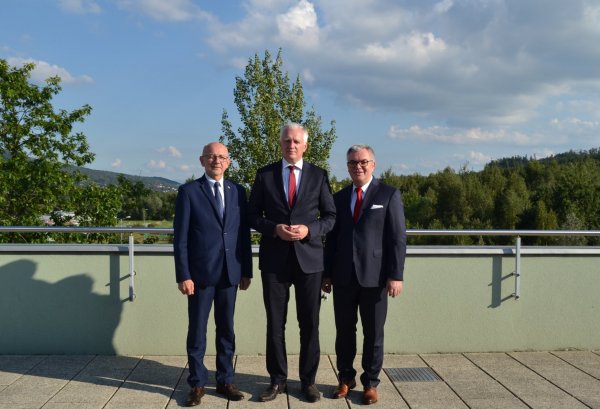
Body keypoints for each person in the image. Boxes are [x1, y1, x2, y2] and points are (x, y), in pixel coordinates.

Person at [248, 122, 336, 403]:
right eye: (287, 140)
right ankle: (277, 380)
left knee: (309, 324)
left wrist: (310, 229)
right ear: (280, 143)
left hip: (310, 260)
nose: (291, 145)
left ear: (305, 145)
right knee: (275, 324)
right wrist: (274, 228)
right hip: (275, 261)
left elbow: (330, 217)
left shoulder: (319, 175)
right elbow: (252, 215)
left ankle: (308, 382)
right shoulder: (265, 175)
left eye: (297, 141)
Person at [322, 144, 407, 405]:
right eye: (352, 163)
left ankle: (370, 382)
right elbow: (331, 240)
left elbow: (397, 238)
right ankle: (345, 379)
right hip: (343, 277)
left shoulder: (389, 194)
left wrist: (396, 275)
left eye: (362, 162)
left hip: (376, 277)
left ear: (373, 164)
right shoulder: (338, 197)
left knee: (374, 333)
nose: (357, 167)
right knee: (344, 332)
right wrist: (327, 274)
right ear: (347, 166)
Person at [173, 142, 253, 407]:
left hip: (231, 273)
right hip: (200, 276)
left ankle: (225, 380)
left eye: (221, 157)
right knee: (197, 330)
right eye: (211, 156)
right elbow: (181, 239)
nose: (216, 161)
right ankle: (197, 383)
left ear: (228, 161)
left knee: (226, 329)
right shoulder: (188, 192)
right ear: (202, 161)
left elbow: (242, 234)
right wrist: (183, 275)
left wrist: (246, 270)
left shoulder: (237, 191)